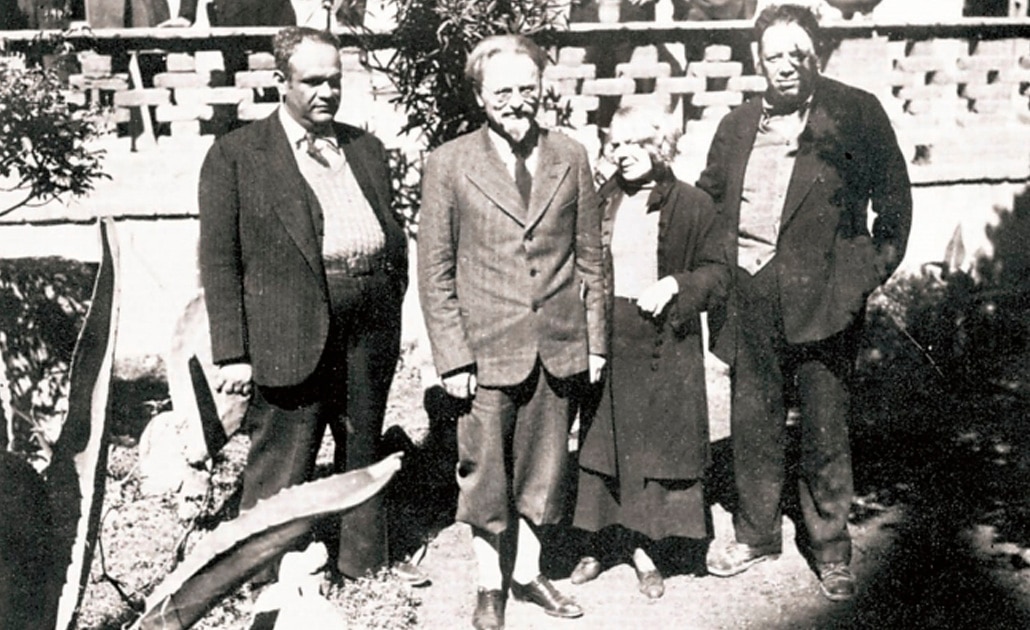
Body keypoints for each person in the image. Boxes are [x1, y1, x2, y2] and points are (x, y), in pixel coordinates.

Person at [696, 3, 912, 601]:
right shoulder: (737, 124)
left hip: (825, 295)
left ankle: (830, 547)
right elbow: (710, 198)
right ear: (757, 60)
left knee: (824, 424)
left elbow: (894, 199)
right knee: (753, 418)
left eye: (798, 54)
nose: (786, 65)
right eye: (774, 56)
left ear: (817, 55)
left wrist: (865, 274)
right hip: (749, 290)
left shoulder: (854, 113)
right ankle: (757, 533)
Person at [198, 26, 410, 584]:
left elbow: (391, 235)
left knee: (362, 445)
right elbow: (219, 261)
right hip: (288, 328)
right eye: (313, 81)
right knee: (283, 454)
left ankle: (364, 563)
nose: (327, 93)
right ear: (280, 81)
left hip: (369, 321)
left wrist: (390, 300)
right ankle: (260, 573)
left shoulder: (365, 149)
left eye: (334, 81)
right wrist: (232, 353)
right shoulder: (236, 155)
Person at [418, 34, 607, 630]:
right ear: (479, 96)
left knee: (543, 470)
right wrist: (453, 357)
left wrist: (596, 341)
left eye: (528, 88)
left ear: (542, 89)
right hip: (484, 349)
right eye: (502, 91)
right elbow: (434, 270)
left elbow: (591, 257)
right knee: (485, 473)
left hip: (557, 340)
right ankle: (487, 584)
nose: (517, 101)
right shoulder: (449, 163)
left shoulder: (570, 155)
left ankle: (526, 572)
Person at [570, 105, 729, 600]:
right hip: (609, 337)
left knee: (653, 443)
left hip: (665, 341)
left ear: (660, 145)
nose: (623, 153)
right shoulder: (600, 200)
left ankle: (645, 550)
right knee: (604, 440)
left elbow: (718, 273)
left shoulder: (693, 204)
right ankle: (599, 541)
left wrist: (676, 284)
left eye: (636, 143)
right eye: (615, 144)